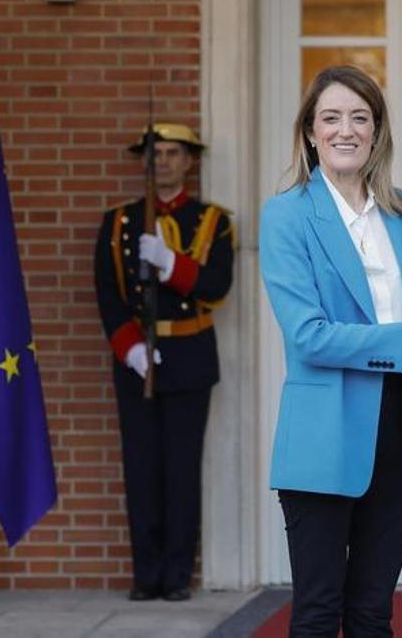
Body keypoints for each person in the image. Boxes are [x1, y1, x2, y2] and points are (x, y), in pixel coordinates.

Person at [259, 65, 402, 636]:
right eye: (330, 118)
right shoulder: (286, 215)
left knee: (374, 612)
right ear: (310, 132)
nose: (345, 130)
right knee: (319, 611)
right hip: (321, 436)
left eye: (360, 117)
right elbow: (309, 335)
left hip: (401, 430)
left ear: (376, 132)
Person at [93, 123, 235, 602]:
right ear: (145, 162)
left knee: (181, 470)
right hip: (137, 360)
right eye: (156, 154)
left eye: (174, 153)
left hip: (189, 357)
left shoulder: (213, 221)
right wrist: (131, 347)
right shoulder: (118, 223)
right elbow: (109, 295)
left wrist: (171, 264)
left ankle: (176, 576)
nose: (164, 162)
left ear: (190, 161)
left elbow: (216, 286)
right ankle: (145, 574)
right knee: (141, 469)